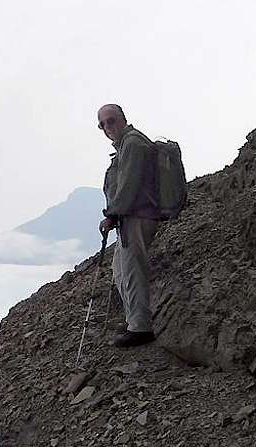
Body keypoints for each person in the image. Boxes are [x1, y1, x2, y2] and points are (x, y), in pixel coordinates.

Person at [97, 103, 161, 348]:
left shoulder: (133, 144)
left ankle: (140, 328)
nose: (106, 128)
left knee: (132, 271)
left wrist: (112, 214)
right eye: (102, 124)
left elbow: (128, 186)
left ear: (123, 119)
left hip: (137, 216)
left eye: (111, 121)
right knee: (121, 270)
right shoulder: (126, 145)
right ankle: (134, 320)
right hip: (131, 216)